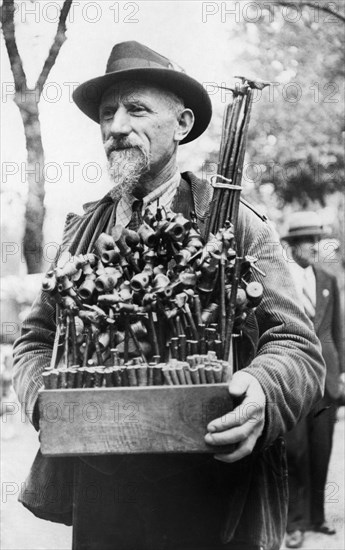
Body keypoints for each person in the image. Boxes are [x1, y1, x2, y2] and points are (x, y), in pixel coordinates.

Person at [13, 41, 325, 550]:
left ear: (181, 125)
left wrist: (264, 391)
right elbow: (34, 344)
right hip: (101, 500)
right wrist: (44, 401)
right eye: (107, 113)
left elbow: (296, 345)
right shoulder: (78, 236)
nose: (116, 127)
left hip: (211, 497)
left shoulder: (235, 224)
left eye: (136, 109)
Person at [281, 212, 345, 549]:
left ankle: (317, 518)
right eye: (308, 240)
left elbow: (336, 330)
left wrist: (342, 374)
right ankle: (295, 522)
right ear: (291, 245)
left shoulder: (327, 279)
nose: (315, 247)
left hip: (327, 382)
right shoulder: (279, 283)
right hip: (293, 380)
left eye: (318, 241)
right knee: (295, 451)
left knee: (321, 451)